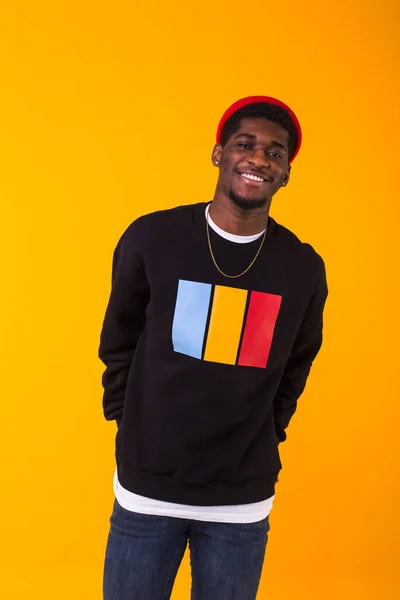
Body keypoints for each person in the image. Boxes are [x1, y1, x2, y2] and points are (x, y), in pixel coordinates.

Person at [98, 95, 328, 600]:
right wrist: (128, 420)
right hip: (147, 486)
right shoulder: (153, 236)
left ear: (287, 173)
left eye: (275, 152)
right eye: (245, 145)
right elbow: (119, 339)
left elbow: (296, 366)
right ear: (218, 154)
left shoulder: (302, 268)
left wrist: (268, 433)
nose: (259, 159)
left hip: (239, 501)